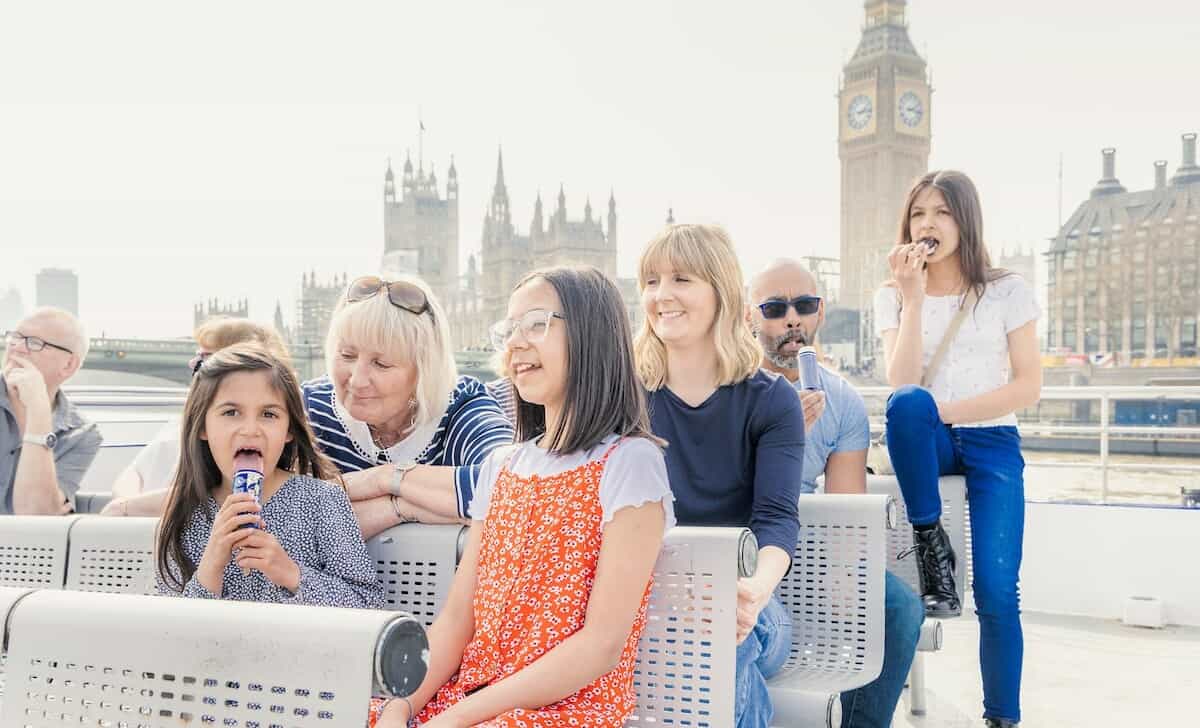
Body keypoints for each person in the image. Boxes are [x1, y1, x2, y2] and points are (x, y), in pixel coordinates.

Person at [373, 266, 673, 727]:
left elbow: (600, 646)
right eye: (508, 329)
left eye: (535, 323)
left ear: (592, 333)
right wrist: (401, 707)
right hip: (473, 695)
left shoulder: (629, 463)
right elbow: (456, 624)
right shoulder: (504, 466)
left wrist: (454, 719)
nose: (515, 343)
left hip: (563, 709)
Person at [875, 170, 1040, 728]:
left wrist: (946, 412)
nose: (928, 224)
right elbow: (901, 387)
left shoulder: (1006, 290)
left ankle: (1002, 717)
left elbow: (1027, 387)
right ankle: (930, 544)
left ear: (965, 220)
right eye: (919, 214)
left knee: (998, 587)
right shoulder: (893, 296)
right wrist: (912, 300)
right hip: (932, 441)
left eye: (942, 213)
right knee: (907, 405)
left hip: (993, 439)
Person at [637, 224, 804, 728]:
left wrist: (752, 591)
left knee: (721, 635)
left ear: (721, 291)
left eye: (681, 278)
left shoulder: (772, 400)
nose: (661, 295)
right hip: (649, 591)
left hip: (743, 595)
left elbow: (776, 521)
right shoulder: (626, 397)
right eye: (650, 281)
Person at [749, 258, 924, 728]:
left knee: (899, 607)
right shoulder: (734, 385)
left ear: (819, 313)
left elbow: (845, 509)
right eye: (774, 308)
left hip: (806, 543)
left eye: (803, 305)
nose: (791, 319)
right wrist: (781, 435)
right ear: (749, 317)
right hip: (744, 538)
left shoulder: (841, 399)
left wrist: (850, 574)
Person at [155, 343, 383, 608]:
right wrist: (211, 566)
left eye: (268, 414)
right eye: (231, 412)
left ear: (288, 429)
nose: (251, 429)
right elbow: (172, 630)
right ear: (202, 426)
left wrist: (290, 574)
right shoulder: (185, 516)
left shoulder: (322, 501)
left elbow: (368, 603)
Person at [305, 275, 514, 538]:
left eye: (381, 364)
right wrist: (409, 501)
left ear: (424, 369)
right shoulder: (311, 408)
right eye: (346, 355)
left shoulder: (461, 404)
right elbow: (270, 512)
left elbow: (511, 488)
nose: (357, 380)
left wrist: (390, 481)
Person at [108, 317, 290, 502]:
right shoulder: (182, 424)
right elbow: (133, 474)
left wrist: (130, 508)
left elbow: (200, 501)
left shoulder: (268, 448)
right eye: (197, 358)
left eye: (204, 361)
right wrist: (124, 507)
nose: (193, 365)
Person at [1, 307, 102, 515]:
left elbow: (37, 515)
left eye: (35, 343)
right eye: (16, 337)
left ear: (68, 364)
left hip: (21, 547)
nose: (17, 348)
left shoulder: (82, 434)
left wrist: (38, 410)